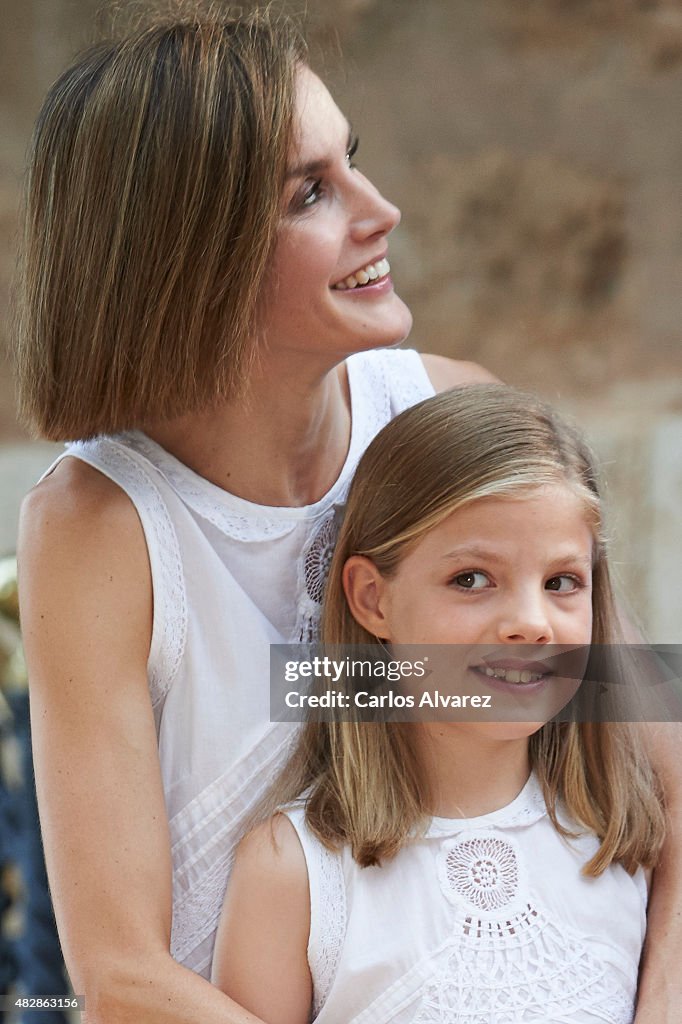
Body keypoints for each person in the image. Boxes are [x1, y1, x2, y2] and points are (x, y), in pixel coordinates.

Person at [11, 6, 680, 1024]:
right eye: (311, 193)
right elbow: (121, 975)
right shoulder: (100, 526)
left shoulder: (446, 412)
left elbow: (663, 772)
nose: (382, 209)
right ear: (192, 254)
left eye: (351, 162)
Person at [212, 385, 667, 1024]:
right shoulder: (294, 872)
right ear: (373, 600)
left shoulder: (627, 840)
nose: (531, 624)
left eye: (561, 582)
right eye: (472, 579)